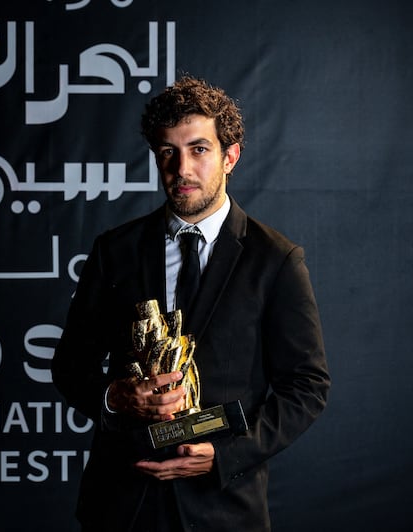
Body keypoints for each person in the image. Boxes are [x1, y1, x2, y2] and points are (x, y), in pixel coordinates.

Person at [51, 75, 330, 532]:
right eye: (168, 152)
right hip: (121, 506)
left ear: (230, 156)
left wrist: (225, 456)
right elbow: (69, 366)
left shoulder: (276, 260)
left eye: (199, 149)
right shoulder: (114, 251)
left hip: (223, 508)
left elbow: (307, 386)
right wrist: (114, 397)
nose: (182, 168)